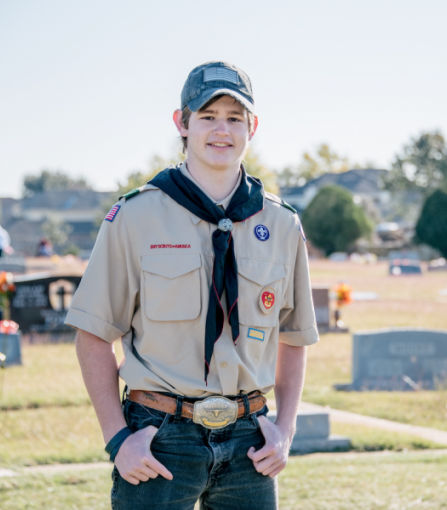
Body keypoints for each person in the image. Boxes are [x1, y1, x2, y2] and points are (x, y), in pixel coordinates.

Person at [66, 61, 318, 509]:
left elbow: (294, 337)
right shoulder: (135, 217)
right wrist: (117, 440)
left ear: (252, 126)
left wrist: (286, 430)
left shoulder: (281, 224)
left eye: (234, 118)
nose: (222, 130)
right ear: (181, 123)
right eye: (207, 116)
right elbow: (92, 333)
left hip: (249, 444)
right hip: (160, 440)